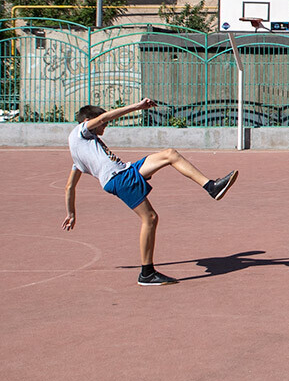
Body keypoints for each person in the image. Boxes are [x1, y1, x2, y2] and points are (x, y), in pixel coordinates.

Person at [63, 98, 238, 286]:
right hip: (118, 178)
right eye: (102, 123)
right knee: (150, 218)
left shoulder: (81, 149)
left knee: (170, 154)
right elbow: (106, 116)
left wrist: (71, 213)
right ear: (87, 121)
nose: (105, 126)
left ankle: (211, 187)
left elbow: (70, 186)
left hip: (127, 170)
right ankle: (147, 273)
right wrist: (137, 106)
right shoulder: (81, 131)